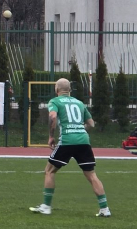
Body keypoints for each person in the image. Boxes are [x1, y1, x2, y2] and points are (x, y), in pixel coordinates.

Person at [30, 78, 110, 217]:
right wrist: (80, 129)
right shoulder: (79, 103)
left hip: (67, 140)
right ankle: (104, 209)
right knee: (91, 174)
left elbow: (53, 117)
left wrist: (51, 136)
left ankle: (46, 207)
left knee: (49, 171)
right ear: (70, 90)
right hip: (83, 141)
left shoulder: (55, 101)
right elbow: (91, 123)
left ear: (56, 90)